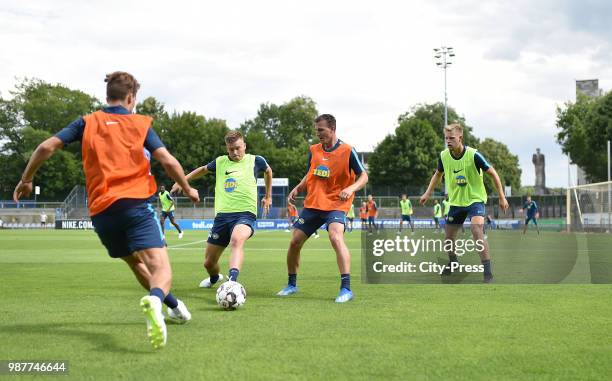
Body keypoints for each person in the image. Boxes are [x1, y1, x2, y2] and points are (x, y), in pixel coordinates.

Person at [13, 72, 199, 349]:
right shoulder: (140, 124)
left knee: (135, 262)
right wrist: (186, 187)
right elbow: (167, 160)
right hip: (136, 204)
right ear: (131, 98)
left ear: (107, 96)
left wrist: (26, 179)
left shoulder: (86, 122)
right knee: (161, 267)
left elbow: (46, 146)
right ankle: (157, 301)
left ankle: (172, 306)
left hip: (102, 212)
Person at [277, 114, 368, 302]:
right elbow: (311, 172)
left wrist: (350, 188)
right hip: (314, 204)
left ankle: (346, 289)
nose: (318, 134)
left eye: (321, 130)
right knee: (294, 242)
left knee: (335, 236)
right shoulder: (314, 150)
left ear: (333, 129)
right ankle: (291, 285)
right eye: (316, 130)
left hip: (336, 204)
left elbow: (364, 176)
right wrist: (299, 187)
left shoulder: (348, 151)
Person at [172, 130, 272, 288]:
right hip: (222, 217)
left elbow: (268, 171)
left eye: (238, 148)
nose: (235, 152)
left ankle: (232, 282)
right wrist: (183, 180)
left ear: (244, 146)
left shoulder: (256, 160)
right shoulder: (220, 162)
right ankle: (214, 278)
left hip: (245, 214)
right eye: (231, 149)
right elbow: (203, 169)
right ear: (227, 149)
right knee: (208, 263)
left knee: (237, 240)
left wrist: (268, 196)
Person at [420, 123, 509, 283]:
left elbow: (493, 173)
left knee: (476, 230)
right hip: (456, 202)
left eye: (452, 138)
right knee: (448, 239)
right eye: (446, 138)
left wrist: (502, 197)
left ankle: (487, 273)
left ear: (460, 138)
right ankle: (453, 262)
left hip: (475, 200)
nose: (448, 141)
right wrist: (427, 192)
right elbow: (437, 174)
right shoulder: (444, 156)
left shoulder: (474, 155)